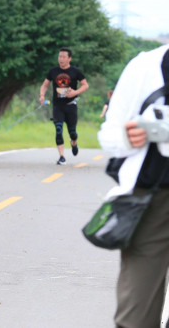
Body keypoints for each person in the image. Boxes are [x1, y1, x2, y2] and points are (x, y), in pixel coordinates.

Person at [97, 44, 169, 328]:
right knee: (136, 316)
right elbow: (110, 133)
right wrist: (128, 137)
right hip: (153, 202)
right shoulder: (146, 67)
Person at [39, 47, 89, 165]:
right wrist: (42, 95)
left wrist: (75, 93)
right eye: (59, 56)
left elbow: (85, 85)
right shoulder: (53, 71)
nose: (61, 59)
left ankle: (74, 142)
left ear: (69, 58)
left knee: (72, 132)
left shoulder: (75, 71)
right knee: (58, 129)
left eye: (63, 57)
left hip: (71, 105)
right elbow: (45, 85)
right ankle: (62, 156)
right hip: (58, 106)